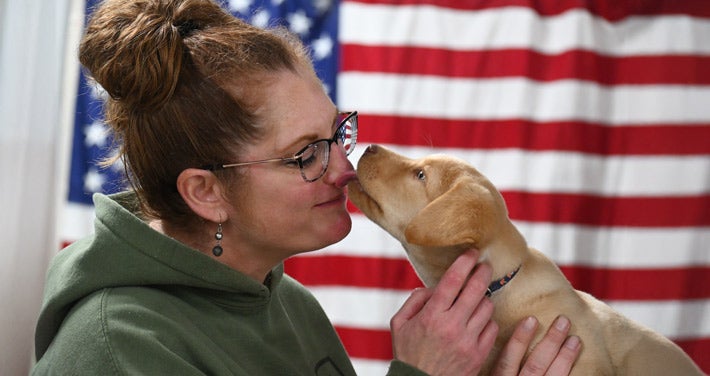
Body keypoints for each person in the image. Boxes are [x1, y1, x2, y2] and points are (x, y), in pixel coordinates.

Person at [32, 0, 582, 374]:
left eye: (336, 133)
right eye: (306, 154)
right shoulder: (116, 348)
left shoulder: (290, 306)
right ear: (206, 193)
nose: (346, 166)